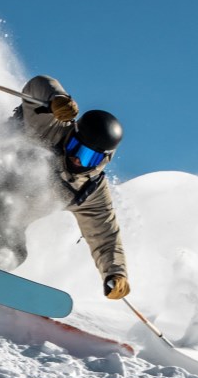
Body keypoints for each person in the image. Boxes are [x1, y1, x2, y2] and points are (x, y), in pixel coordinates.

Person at [16, 75, 130, 300]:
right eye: (76, 147)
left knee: (12, 253)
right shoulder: (50, 129)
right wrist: (56, 99)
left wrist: (116, 273)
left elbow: (105, 237)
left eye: (89, 157)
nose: (78, 159)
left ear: (103, 160)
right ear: (72, 135)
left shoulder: (89, 190)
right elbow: (37, 86)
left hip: (4, 221)